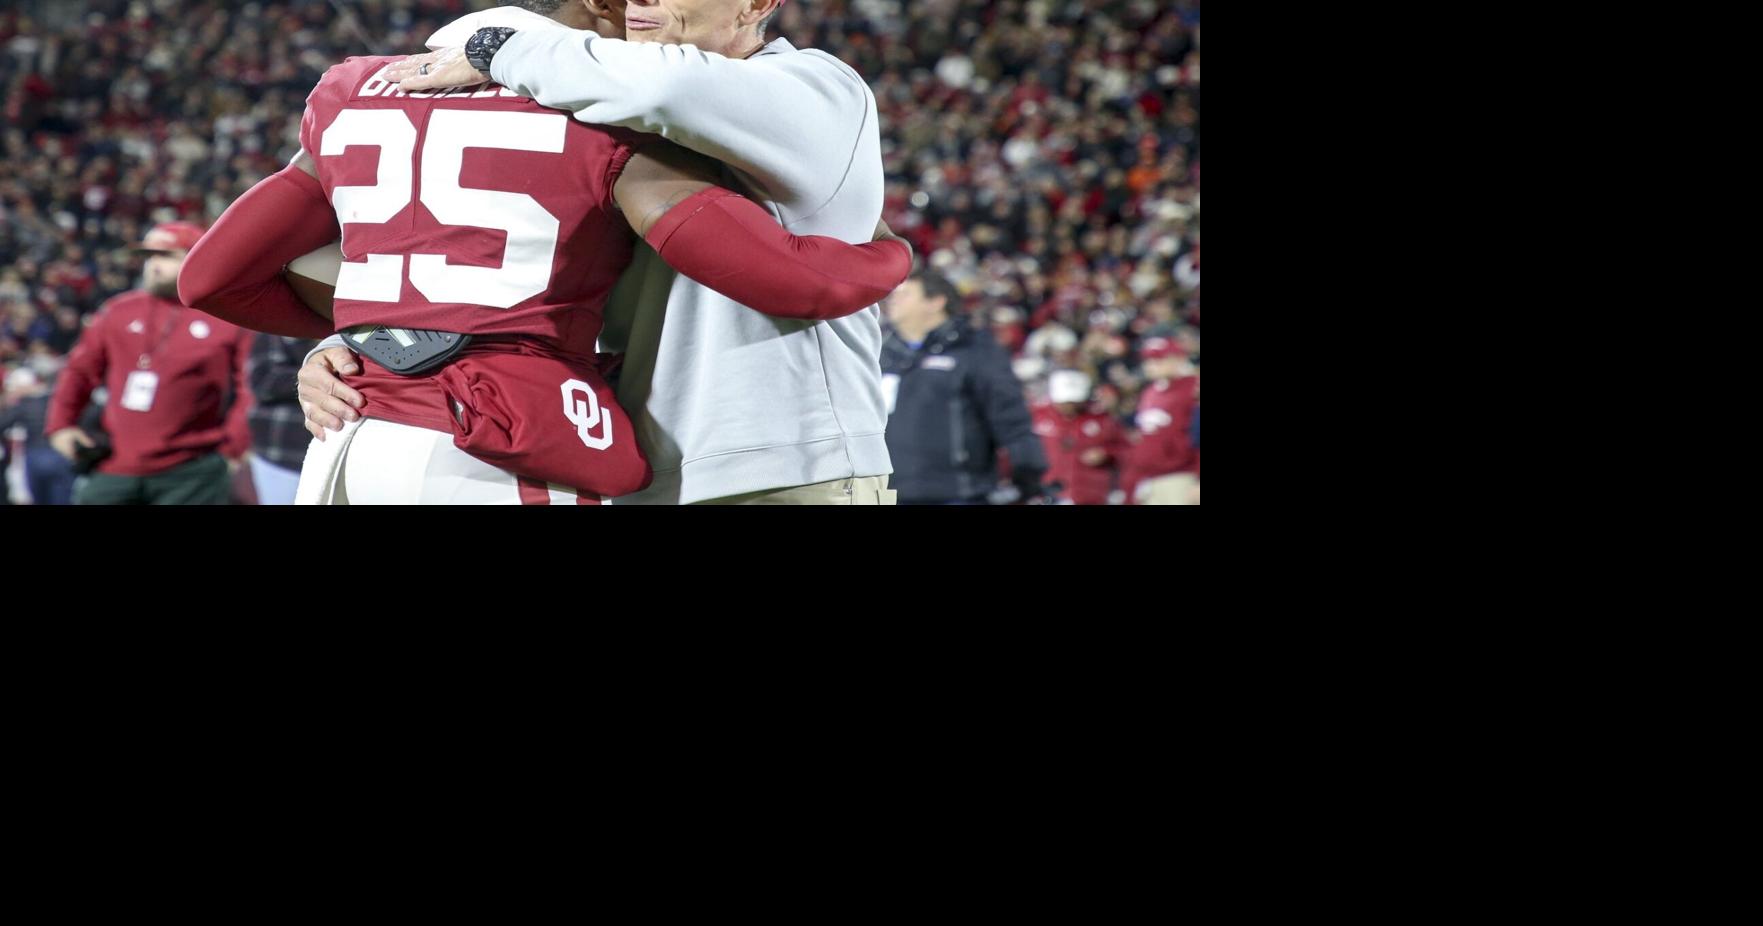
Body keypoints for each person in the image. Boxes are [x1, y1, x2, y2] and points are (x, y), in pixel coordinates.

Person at [179, 0, 909, 505]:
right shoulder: (587, 99)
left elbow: (673, 86)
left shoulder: (815, 88)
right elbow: (435, 278)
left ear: (757, 4)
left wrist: (495, 49)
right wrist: (377, 348)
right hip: (599, 453)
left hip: (779, 469)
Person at [44, 222, 251, 505]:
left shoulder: (227, 319)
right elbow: (79, 372)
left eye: (165, 256)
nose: (153, 265)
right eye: (148, 256)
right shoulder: (117, 311)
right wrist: (60, 425)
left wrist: (232, 447)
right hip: (114, 465)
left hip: (192, 471)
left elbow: (250, 389)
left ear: (196, 258)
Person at [879, 268, 1046, 505]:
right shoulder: (883, 356)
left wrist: (1029, 477)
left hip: (959, 494)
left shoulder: (974, 351)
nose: (893, 298)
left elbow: (1012, 419)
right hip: (890, 495)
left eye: (905, 294)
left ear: (935, 302)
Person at [1121, 336, 1199, 505]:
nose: (1152, 364)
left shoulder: (1194, 388)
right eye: (1149, 359)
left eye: (1159, 359)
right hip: (1149, 477)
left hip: (1182, 476)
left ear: (1179, 359)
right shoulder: (1149, 392)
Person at [244, 333, 321, 505]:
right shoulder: (278, 329)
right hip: (282, 456)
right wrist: (313, 380)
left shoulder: (353, 330)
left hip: (334, 453)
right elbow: (263, 380)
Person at [1031, 369, 1126, 506]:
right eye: (1064, 401)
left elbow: (1126, 450)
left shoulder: (1101, 419)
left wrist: (1106, 453)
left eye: (1074, 401)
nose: (1069, 406)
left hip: (1089, 496)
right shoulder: (1037, 416)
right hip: (1047, 495)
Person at [0, 366, 76, 505]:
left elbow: (3, 423)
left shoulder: (25, 405)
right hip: (61, 455)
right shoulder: (56, 400)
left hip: (37, 455)